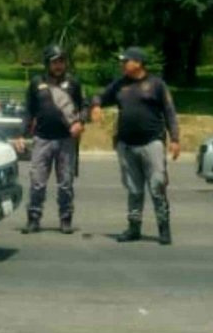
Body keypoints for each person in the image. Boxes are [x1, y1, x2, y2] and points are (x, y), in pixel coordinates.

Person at [90, 47, 180, 245]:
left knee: (157, 185)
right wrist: (96, 105)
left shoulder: (156, 84)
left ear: (138, 63)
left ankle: (164, 228)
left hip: (152, 143)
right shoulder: (120, 85)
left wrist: (175, 139)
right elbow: (100, 96)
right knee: (133, 188)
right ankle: (133, 227)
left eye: (126, 61)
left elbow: (170, 111)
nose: (123, 65)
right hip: (126, 145)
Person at [16, 45, 86, 235]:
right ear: (47, 63)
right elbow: (28, 111)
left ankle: (65, 219)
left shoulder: (74, 83)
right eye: (55, 61)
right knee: (37, 182)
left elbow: (84, 107)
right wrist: (21, 134)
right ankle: (33, 219)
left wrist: (80, 122)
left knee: (65, 183)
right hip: (42, 139)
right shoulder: (36, 83)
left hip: (66, 140)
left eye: (61, 61)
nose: (58, 65)